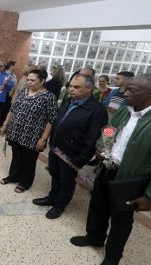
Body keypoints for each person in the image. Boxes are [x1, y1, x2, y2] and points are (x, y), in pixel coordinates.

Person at [70, 74, 151, 265]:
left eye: (131, 90)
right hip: (106, 169)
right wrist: (102, 145)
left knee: (121, 220)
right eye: (125, 88)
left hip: (130, 179)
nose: (124, 93)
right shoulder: (124, 111)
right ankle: (94, 237)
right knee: (98, 207)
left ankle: (112, 256)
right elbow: (109, 131)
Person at [33, 74, 108, 219]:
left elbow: (92, 138)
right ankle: (52, 197)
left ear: (89, 89)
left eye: (76, 87)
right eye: (70, 86)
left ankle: (59, 205)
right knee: (55, 174)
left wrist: (80, 159)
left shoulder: (96, 110)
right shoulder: (69, 101)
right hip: (56, 148)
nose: (71, 89)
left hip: (73, 154)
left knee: (67, 180)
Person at [0, 69, 57, 193]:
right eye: (28, 80)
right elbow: (12, 109)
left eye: (33, 80)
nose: (29, 82)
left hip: (33, 136)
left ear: (42, 81)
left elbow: (51, 120)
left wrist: (43, 139)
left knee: (29, 160)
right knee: (16, 156)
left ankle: (25, 183)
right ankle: (13, 176)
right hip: (16, 132)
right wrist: (5, 125)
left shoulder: (49, 97)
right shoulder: (24, 92)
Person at [0, 61, 17, 127]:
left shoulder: (13, 74)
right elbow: (3, 84)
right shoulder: (5, 73)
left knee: (7, 109)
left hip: (11, 94)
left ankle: (3, 122)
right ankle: (1, 123)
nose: (16, 67)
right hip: (5, 93)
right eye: (15, 65)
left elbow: (14, 84)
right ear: (11, 66)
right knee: (3, 109)